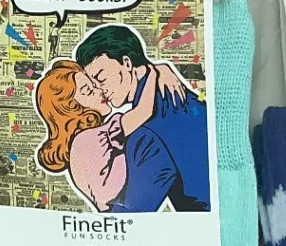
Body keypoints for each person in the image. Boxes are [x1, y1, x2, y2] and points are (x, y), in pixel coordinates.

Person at [74, 24, 211, 213]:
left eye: (101, 78)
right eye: (93, 84)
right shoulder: (175, 96)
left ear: (127, 63)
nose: (100, 90)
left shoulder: (145, 132)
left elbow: (131, 216)